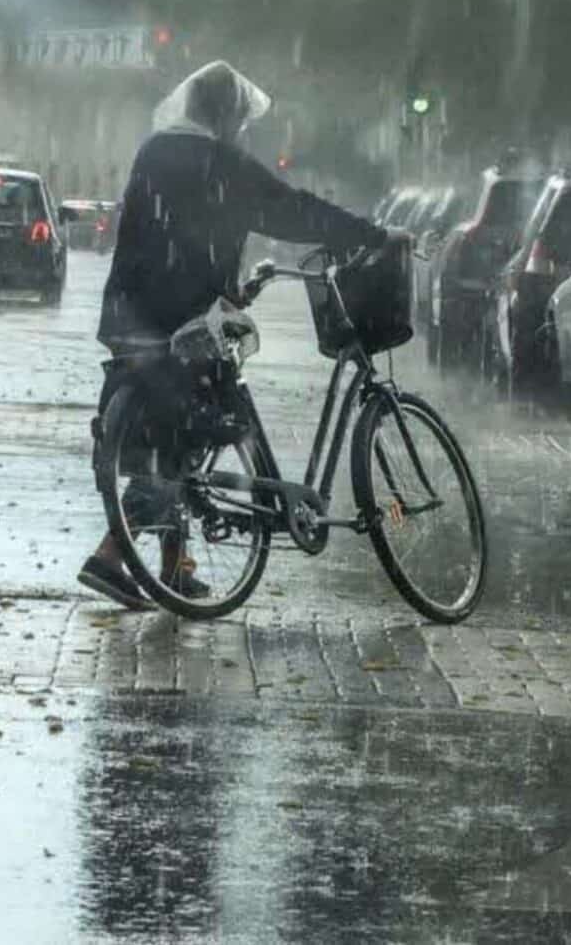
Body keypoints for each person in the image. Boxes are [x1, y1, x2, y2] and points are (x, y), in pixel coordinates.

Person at [79, 60, 388, 609]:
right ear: (226, 117)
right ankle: (110, 553)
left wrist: (224, 287)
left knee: (169, 426)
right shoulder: (222, 163)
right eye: (240, 120)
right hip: (182, 323)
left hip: (130, 317)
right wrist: (368, 234)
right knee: (194, 435)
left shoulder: (154, 150)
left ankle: (177, 566)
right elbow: (293, 210)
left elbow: (164, 234)